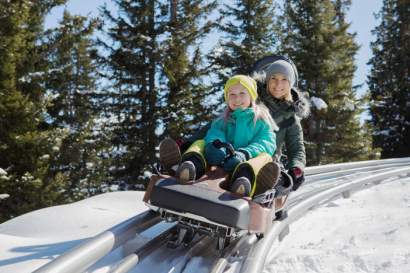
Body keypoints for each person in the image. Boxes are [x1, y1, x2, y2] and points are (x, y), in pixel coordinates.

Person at [161, 75, 279, 197]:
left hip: (244, 163)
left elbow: (266, 142)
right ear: (227, 99)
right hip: (218, 163)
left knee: (264, 157)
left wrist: (245, 154)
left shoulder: (261, 121)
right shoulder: (222, 120)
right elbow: (214, 133)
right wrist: (215, 145)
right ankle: (190, 166)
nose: (237, 98)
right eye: (232, 95)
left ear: (251, 96)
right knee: (200, 143)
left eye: (242, 93)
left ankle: (245, 182)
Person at [253, 56, 310, 192]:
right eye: (274, 78)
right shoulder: (252, 99)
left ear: (290, 84)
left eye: (284, 79)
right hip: (240, 153)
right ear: (267, 80)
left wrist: (297, 168)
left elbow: (296, 147)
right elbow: (224, 120)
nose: (278, 85)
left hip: (266, 165)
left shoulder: (289, 116)